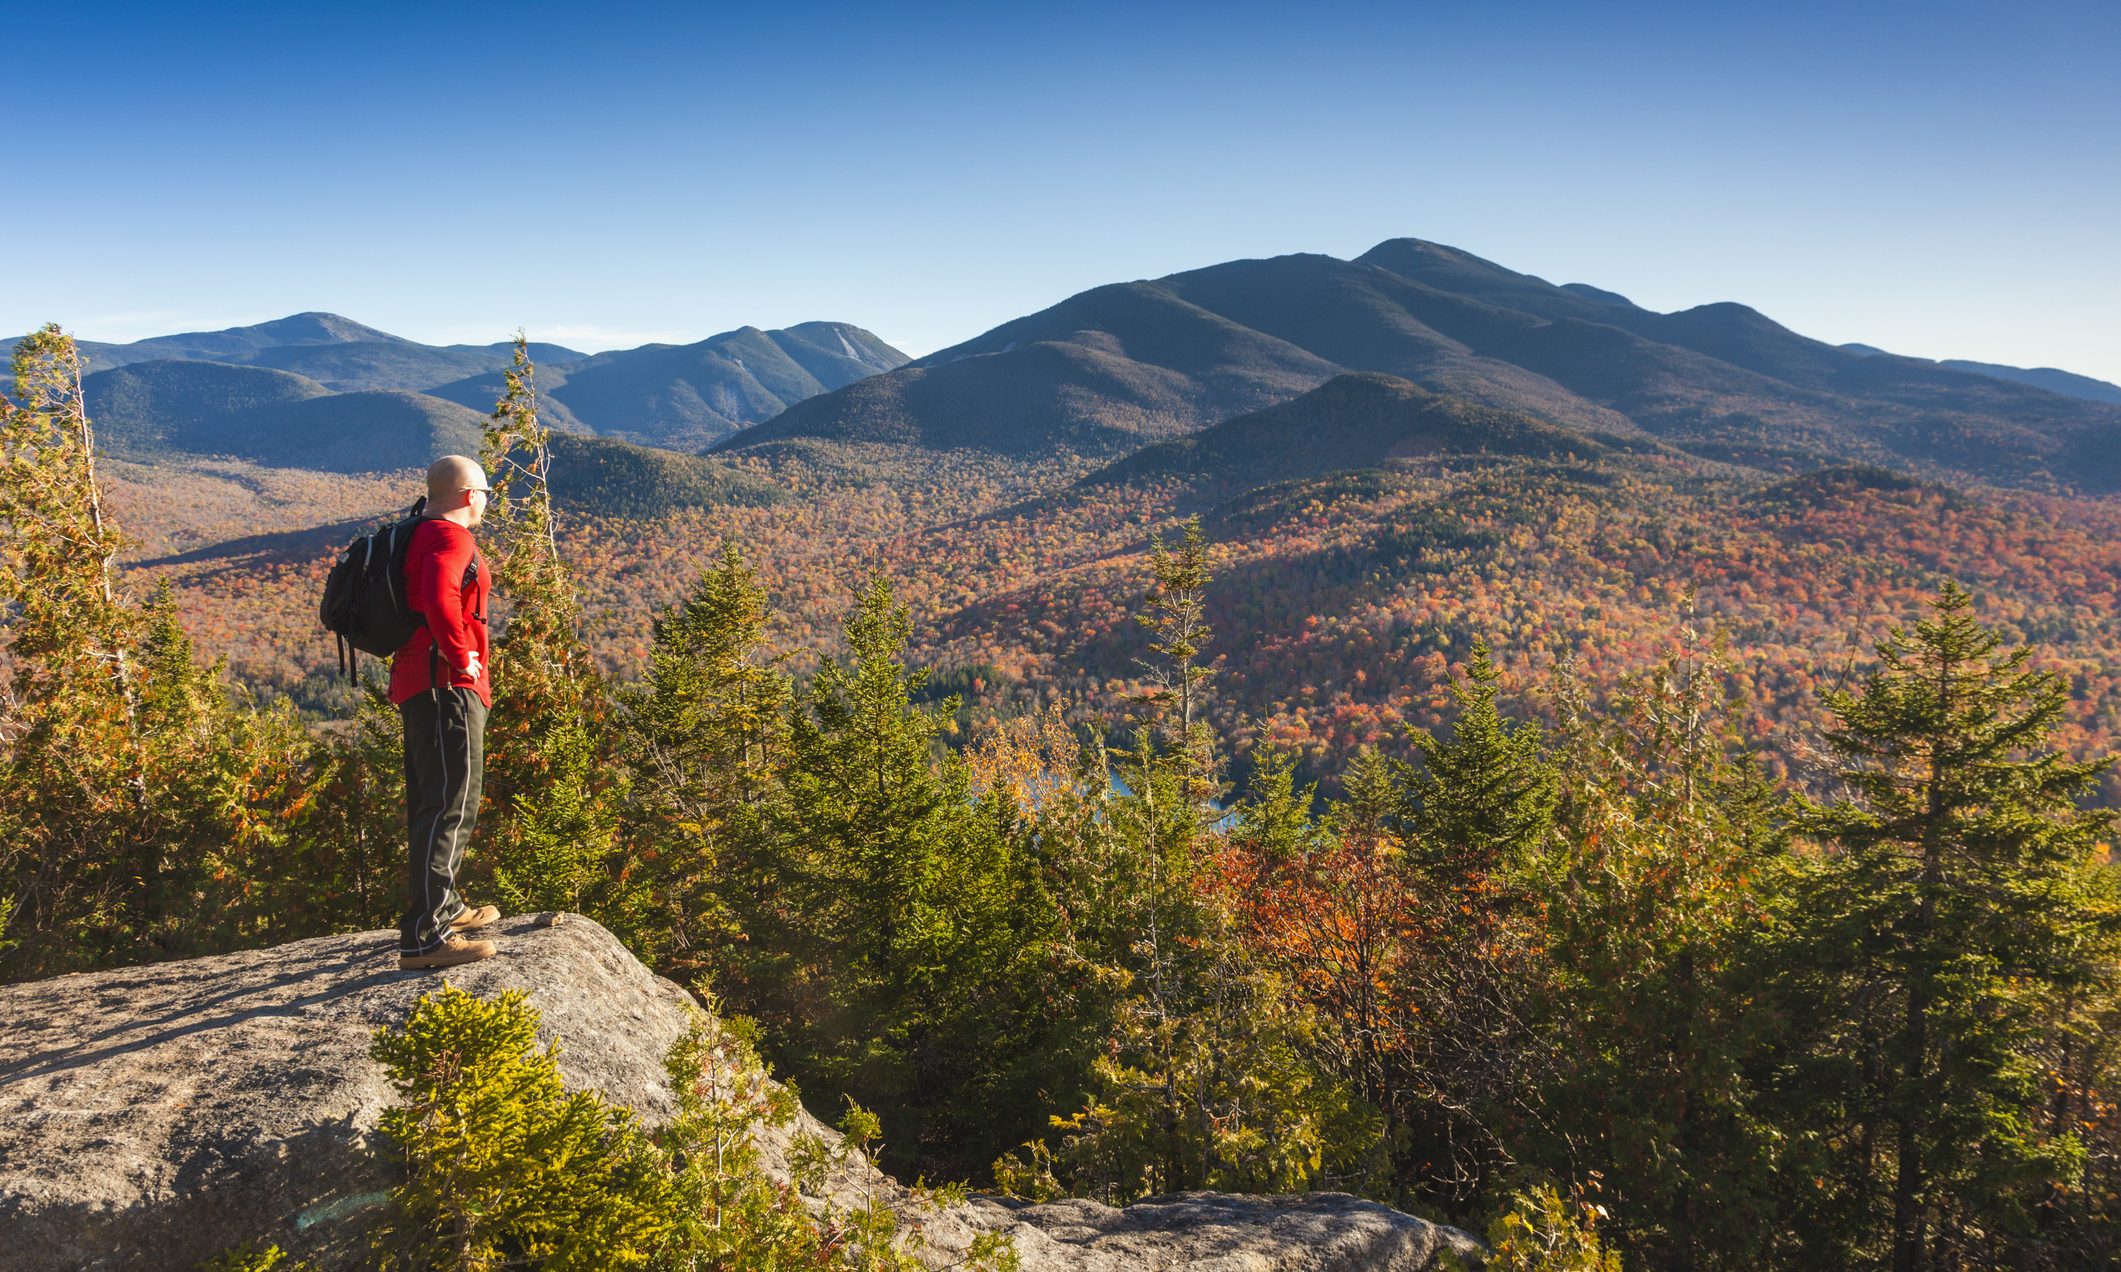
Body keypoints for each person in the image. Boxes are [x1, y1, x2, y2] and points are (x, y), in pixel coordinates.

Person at [393, 455, 502, 970]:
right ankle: (424, 936)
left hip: (422, 684)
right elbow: (440, 595)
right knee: (452, 803)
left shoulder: (418, 531)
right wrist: (462, 657)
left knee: (432, 803)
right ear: (467, 496)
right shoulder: (450, 537)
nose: (486, 500)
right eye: (484, 492)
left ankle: (444, 906)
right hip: (445, 687)